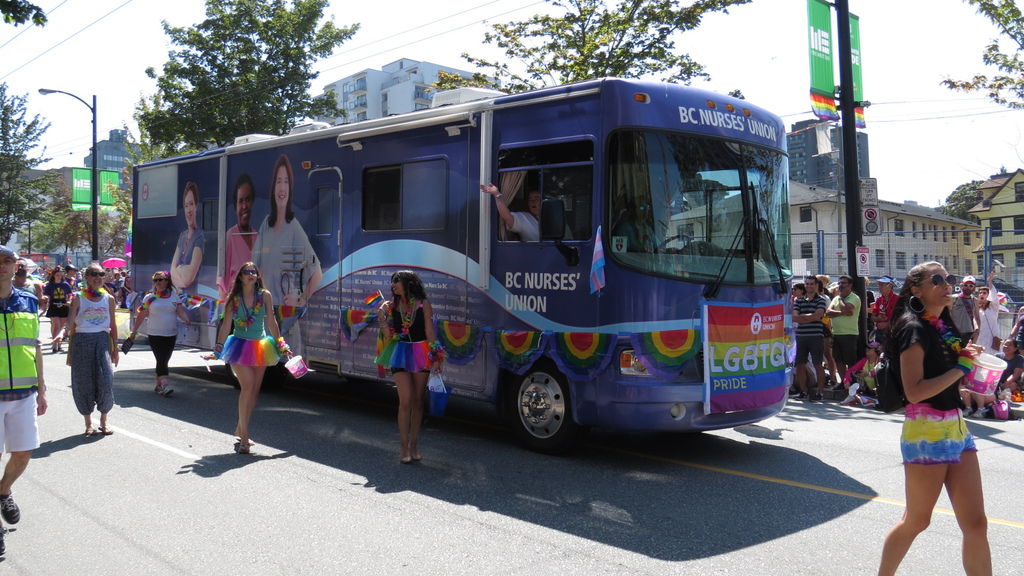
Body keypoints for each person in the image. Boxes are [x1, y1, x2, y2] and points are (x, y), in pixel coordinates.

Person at [878, 261, 990, 576]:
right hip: (926, 431)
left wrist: (966, 358)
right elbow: (914, 392)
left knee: (976, 523)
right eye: (936, 279)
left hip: (956, 427)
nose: (946, 283)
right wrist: (960, 369)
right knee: (917, 520)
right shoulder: (913, 328)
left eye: (948, 278)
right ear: (916, 289)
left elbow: (948, 376)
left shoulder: (943, 327)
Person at [0, 245, 48, 556]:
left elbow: (35, 346)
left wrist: (42, 388)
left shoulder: (28, 300)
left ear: (16, 265)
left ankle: (3, 491)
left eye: (7, 261)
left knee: (23, 454)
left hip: (24, 393)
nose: (2, 266)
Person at [214, 262, 290, 454]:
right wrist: (218, 348)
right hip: (239, 346)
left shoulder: (265, 295)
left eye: (254, 272)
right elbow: (225, 326)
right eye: (247, 272)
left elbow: (272, 321)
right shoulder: (234, 299)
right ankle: (244, 439)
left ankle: (240, 427)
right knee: (247, 386)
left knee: (254, 392)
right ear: (240, 277)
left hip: (260, 346)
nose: (251, 275)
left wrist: (281, 344)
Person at [252, 155, 322, 353]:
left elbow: (316, 272)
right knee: (266, 358)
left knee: (290, 359)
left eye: (286, 182)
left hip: (285, 312)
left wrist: (301, 299)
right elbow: (254, 266)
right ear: (273, 187)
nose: (282, 188)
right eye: (278, 181)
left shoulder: (294, 228)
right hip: (265, 308)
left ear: (290, 189)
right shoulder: (267, 223)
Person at [375, 270, 444, 463]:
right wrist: (381, 315)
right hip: (399, 352)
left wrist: (437, 357)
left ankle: (414, 445)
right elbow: (388, 335)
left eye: (397, 281)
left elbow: (430, 331)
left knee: (418, 401)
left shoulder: (423, 304)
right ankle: (403, 447)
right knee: (405, 400)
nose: (393, 285)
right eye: (392, 282)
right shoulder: (392, 305)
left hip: (421, 353)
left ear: (408, 284)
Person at [67, 264, 118, 436]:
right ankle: (88, 423)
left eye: (101, 274)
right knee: (84, 382)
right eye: (94, 274)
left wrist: (115, 348)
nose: (98, 277)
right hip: (82, 341)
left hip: (102, 340)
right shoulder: (78, 297)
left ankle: (104, 420)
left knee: (105, 380)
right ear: (87, 277)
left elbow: (112, 324)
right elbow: (70, 321)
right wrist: (62, 333)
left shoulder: (109, 298)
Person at [129, 271, 191, 397]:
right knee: (161, 359)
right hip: (154, 334)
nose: (158, 282)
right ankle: (165, 384)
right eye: (156, 280)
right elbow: (141, 315)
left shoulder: (174, 296)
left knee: (164, 360)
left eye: (161, 279)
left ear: (167, 281)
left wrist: (185, 319)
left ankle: (159, 385)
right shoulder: (149, 298)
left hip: (171, 334)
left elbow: (180, 311)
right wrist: (134, 331)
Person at [219, 173, 258, 300]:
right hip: (235, 298)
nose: (244, 206)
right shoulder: (230, 236)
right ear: (235, 206)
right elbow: (222, 276)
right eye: (240, 201)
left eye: (248, 199)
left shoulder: (258, 237)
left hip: (255, 298)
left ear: (252, 202)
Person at [791, 273, 830, 401]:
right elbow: (794, 316)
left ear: (816, 285)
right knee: (800, 365)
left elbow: (818, 316)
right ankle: (803, 391)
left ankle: (820, 392)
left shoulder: (821, 300)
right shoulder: (798, 300)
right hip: (801, 337)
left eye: (811, 284)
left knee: (818, 364)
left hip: (816, 336)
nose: (809, 286)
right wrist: (810, 317)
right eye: (807, 284)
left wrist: (803, 318)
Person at [170, 181, 205, 295]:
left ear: (196, 206)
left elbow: (188, 278)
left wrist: (179, 269)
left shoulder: (199, 236)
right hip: (177, 299)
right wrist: (183, 269)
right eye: (186, 206)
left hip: (192, 303)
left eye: (191, 204)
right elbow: (171, 271)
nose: (189, 210)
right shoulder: (182, 236)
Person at [825, 275, 862, 385]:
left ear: (850, 285)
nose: (840, 285)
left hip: (849, 334)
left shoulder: (854, 298)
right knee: (838, 360)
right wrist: (842, 313)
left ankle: (852, 383)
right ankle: (844, 382)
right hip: (836, 334)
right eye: (840, 283)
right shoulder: (836, 298)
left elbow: (846, 308)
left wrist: (841, 299)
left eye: (844, 283)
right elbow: (828, 313)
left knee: (850, 361)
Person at [840, 341, 882, 406]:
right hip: (867, 388)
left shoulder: (881, 360)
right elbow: (850, 371)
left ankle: (857, 398)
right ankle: (860, 398)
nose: (867, 349)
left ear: (876, 351)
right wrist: (846, 381)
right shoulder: (864, 361)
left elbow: (880, 371)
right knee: (853, 374)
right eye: (867, 348)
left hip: (878, 388)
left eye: (870, 348)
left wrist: (868, 373)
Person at [42, 267, 73, 353]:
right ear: (54, 275)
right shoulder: (50, 285)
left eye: (60, 275)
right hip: (53, 306)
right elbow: (47, 295)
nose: (59, 276)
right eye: (57, 275)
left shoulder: (65, 285)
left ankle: (59, 344)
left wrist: (69, 300)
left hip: (63, 306)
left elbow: (70, 294)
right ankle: (54, 345)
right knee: (56, 325)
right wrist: (46, 299)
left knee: (62, 326)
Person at [973, 270, 1002, 355]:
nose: (981, 294)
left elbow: (994, 295)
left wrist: (989, 281)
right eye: (980, 293)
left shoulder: (993, 307)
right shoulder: (976, 308)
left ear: (988, 295)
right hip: (979, 337)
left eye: (984, 293)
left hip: (991, 338)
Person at [948, 274, 978, 345]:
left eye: (971, 286)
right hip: (955, 333)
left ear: (974, 288)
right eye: (966, 285)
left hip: (969, 333)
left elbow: (977, 317)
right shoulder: (953, 298)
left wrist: (977, 331)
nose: (968, 287)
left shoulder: (975, 300)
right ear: (961, 286)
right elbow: (947, 315)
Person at [869, 276, 898, 346]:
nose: (879, 287)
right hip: (879, 333)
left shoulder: (897, 299)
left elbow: (901, 318)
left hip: (892, 332)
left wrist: (887, 324)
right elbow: (872, 317)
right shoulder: (879, 300)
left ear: (890, 285)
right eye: (879, 284)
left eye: (882, 284)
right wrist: (878, 318)